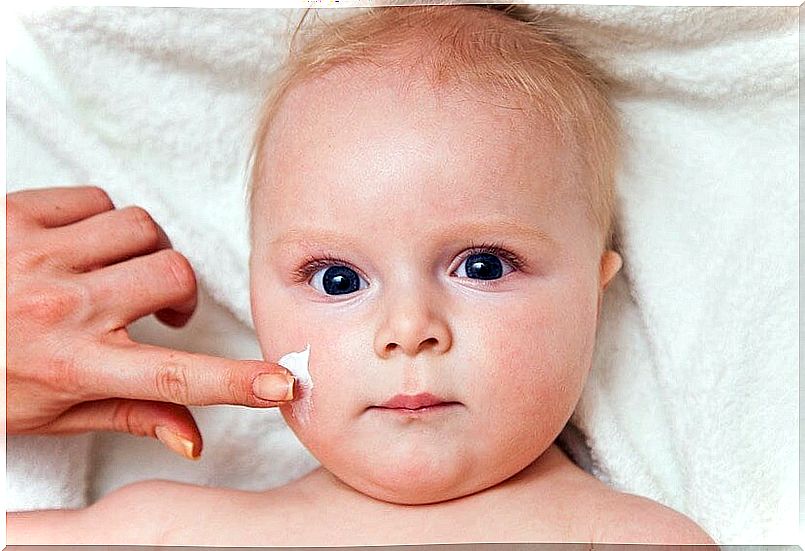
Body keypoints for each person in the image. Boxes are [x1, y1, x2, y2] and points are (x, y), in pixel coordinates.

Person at [7, 5, 717, 545]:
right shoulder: (164, 530)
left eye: (483, 265)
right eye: (337, 279)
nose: (408, 330)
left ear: (595, 292)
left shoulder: (637, 540)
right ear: (253, 299)